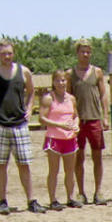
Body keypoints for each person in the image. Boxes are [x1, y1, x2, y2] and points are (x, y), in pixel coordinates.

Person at [0, 40, 45, 214]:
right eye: (3, 54)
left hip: (19, 123)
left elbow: (31, 92)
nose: (7, 57)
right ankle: (2, 201)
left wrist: (29, 109)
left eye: (9, 53)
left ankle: (31, 200)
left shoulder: (24, 72)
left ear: (13, 54)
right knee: (1, 164)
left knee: (24, 163)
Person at [67, 39, 108, 205]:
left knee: (97, 157)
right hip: (78, 121)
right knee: (79, 157)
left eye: (88, 52)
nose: (85, 54)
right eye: (82, 51)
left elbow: (103, 95)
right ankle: (81, 192)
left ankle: (98, 191)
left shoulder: (97, 72)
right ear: (77, 53)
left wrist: (105, 116)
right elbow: (68, 97)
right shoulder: (70, 74)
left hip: (94, 120)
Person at [39, 69, 81, 210]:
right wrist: (60, 125)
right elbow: (42, 118)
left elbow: (75, 115)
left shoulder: (71, 98)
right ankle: (53, 200)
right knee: (54, 171)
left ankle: (70, 197)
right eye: (58, 80)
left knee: (70, 171)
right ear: (53, 82)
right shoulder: (48, 98)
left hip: (69, 138)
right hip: (54, 138)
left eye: (63, 80)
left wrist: (76, 125)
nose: (61, 83)